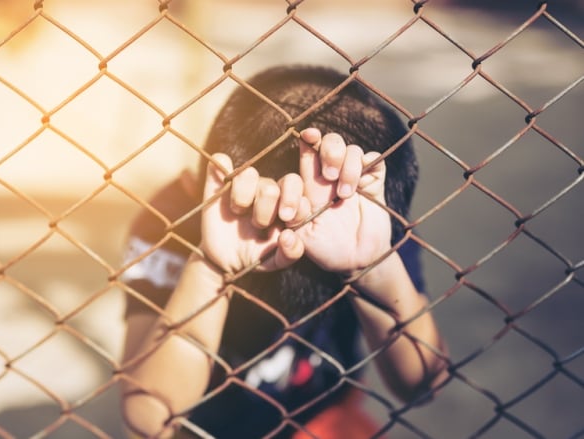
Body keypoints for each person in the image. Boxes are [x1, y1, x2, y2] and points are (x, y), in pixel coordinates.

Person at [119, 65, 448, 438]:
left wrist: (373, 268)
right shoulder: (173, 219)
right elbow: (148, 418)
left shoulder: (370, 222)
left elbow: (422, 384)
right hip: (200, 423)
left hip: (320, 415)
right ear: (195, 185)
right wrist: (211, 267)